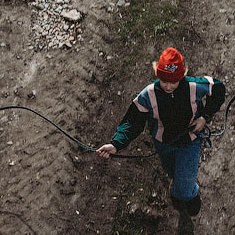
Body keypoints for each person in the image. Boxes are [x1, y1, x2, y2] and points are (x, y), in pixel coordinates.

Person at [96, 47, 225, 217]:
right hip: (163, 144)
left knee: (184, 188)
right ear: (157, 75)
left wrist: (204, 117)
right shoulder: (148, 95)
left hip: (190, 141)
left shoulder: (194, 86)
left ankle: (190, 195)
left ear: (182, 76)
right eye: (164, 81)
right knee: (174, 173)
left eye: (173, 81)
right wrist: (115, 144)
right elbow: (132, 121)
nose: (168, 86)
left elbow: (218, 89)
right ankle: (183, 185)